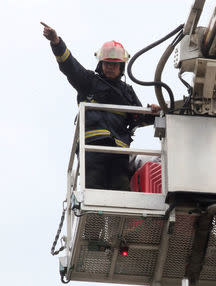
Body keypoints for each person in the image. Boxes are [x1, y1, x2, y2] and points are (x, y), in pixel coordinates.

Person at [41, 22, 158, 190]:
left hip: (119, 151)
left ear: (121, 67)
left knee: (122, 189)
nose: (110, 67)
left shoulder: (127, 92)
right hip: (93, 148)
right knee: (94, 188)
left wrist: (154, 112)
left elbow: (139, 118)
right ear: (101, 64)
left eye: (114, 64)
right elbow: (69, 66)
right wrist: (57, 43)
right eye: (107, 63)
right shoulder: (89, 82)